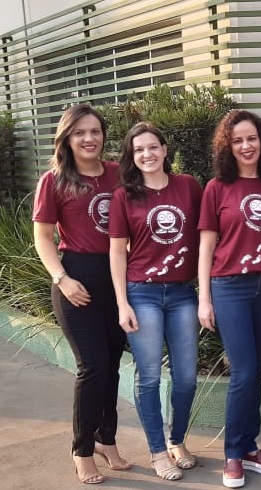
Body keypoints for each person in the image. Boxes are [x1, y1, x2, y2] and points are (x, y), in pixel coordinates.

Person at [33, 104, 130, 485]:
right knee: (92, 366)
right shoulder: (54, 180)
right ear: (67, 138)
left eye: (95, 131)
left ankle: (107, 440)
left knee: (111, 365)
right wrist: (62, 279)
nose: (89, 138)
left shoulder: (118, 174)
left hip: (116, 279)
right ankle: (82, 449)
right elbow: (43, 238)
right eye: (80, 132)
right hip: (76, 281)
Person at [108, 122, 202, 481]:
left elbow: (206, 235)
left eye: (152, 147)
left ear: (164, 150)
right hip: (142, 292)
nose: (146, 154)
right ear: (132, 156)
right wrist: (122, 303)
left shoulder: (188, 186)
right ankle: (158, 452)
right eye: (138, 150)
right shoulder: (124, 195)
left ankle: (177, 440)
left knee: (187, 377)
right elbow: (117, 252)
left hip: (182, 294)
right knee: (148, 376)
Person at [197, 110, 261, 488]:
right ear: (227, 147)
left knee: (255, 370)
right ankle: (233, 453)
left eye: (251, 138)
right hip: (229, 287)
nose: (246, 146)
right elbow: (206, 246)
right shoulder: (217, 188)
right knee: (244, 371)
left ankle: (249, 447)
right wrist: (204, 298)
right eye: (237, 141)